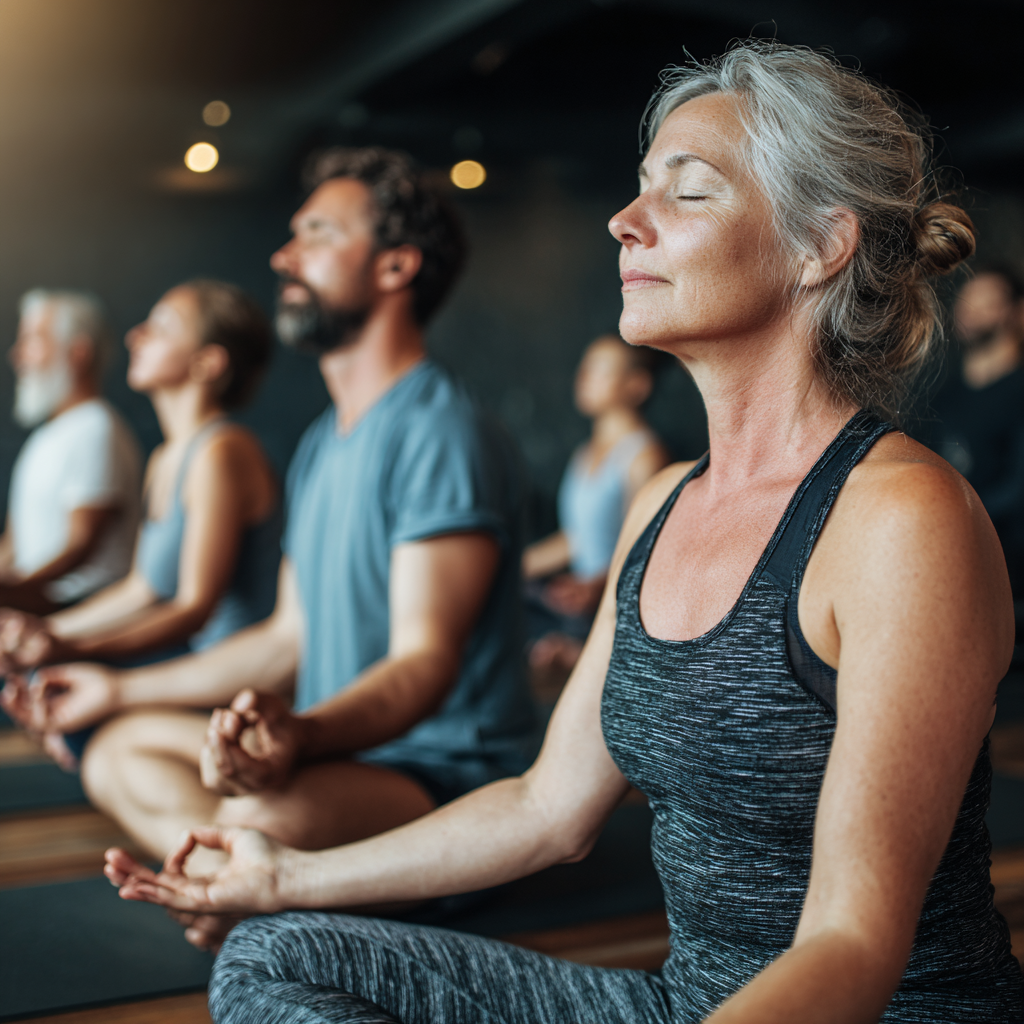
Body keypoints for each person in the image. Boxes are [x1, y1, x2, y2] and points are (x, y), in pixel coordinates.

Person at [106, 41, 1022, 1024]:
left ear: (819, 245)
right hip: (689, 1004)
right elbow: (546, 808)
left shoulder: (900, 518)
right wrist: (282, 875)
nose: (625, 222)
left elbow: (854, 942)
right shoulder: (662, 502)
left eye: (688, 193)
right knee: (273, 952)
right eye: (637, 191)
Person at [47, 147, 535, 947]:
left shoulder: (442, 431)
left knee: (254, 816)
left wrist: (300, 737)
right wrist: (115, 691)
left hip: (440, 775)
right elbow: (284, 640)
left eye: (316, 233)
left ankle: (245, 880)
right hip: (334, 753)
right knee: (117, 749)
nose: (284, 255)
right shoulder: (320, 445)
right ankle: (239, 882)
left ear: (395, 266)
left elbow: (424, 662)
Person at [0, 280, 280, 768]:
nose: (135, 336)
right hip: (189, 665)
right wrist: (45, 632)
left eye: (161, 327)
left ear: (207, 363)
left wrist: (70, 646)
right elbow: (141, 590)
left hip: (231, 686)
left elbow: (195, 606)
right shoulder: (166, 458)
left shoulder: (221, 450)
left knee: (74, 711)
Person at [523, 334, 668, 675]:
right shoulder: (584, 453)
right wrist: (515, 565)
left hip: (615, 611)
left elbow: (648, 550)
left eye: (601, 369)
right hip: (577, 604)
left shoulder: (645, 456)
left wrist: (598, 585)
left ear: (637, 385)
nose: (585, 377)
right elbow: (577, 538)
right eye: (586, 367)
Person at [0, 290, 141, 615]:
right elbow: (14, 543)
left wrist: (15, 592)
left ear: (78, 352)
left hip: (81, 610)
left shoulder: (97, 427)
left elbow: (81, 546)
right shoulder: (46, 435)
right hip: (38, 605)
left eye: (32, 341)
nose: (17, 356)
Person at [926, 267, 1024, 634]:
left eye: (988, 302)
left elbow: (1017, 492)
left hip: (1008, 575)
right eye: (966, 302)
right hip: (943, 568)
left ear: (1016, 311)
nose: (971, 311)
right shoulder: (942, 398)